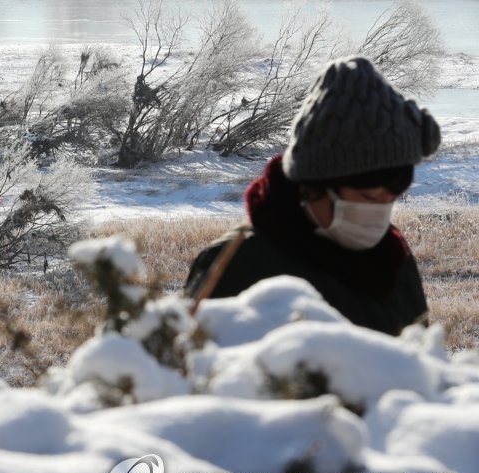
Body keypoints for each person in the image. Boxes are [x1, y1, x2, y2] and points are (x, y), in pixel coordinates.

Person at [184, 56, 441, 335]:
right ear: (315, 185)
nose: (381, 213)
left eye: (392, 198)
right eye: (370, 197)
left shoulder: (392, 259)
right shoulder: (236, 266)